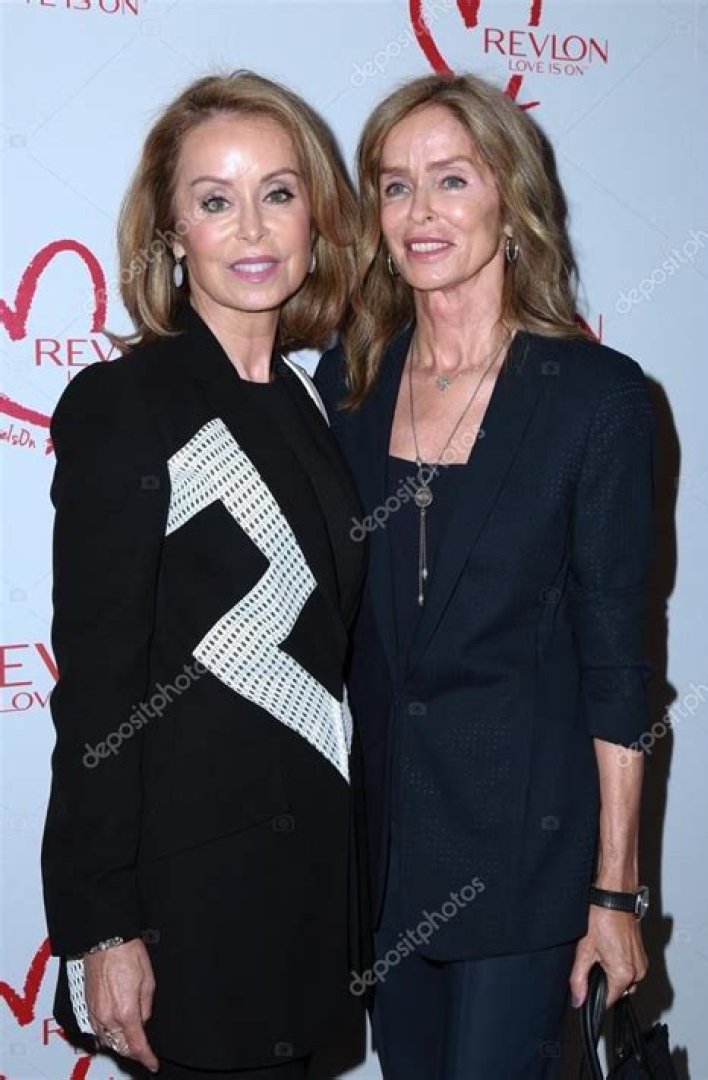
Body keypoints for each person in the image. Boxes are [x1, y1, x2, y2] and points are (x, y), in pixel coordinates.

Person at [314, 73, 655, 1079]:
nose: (420, 212)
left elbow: (617, 668)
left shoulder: (594, 397)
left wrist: (615, 893)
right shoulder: (350, 382)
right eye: (396, 185)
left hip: (526, 862)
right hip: (386, 857)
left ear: (510, 199)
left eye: (451, 179)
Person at [41, 71, 369, 1080]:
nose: (253, 228)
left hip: (310, 893)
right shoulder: (125, 403)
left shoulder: (316, 405)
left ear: (315, 216)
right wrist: (102, 925)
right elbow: (98, 688)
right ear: (172, 232)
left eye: (279, 193)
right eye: (216, 200)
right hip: (189, 907)